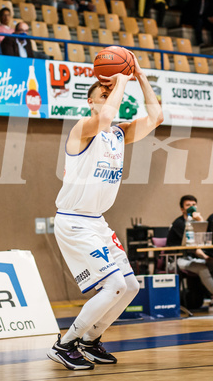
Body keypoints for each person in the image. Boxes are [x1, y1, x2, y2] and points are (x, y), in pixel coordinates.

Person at [48, 50, 163, 370]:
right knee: (113, 284)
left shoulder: (117, 133)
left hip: (96, 222)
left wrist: (139, 76)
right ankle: (65, 343)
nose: (110, 94)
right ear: (90, 101)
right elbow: (105, 117)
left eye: (110, 91)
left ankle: (90, 340)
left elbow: (157, 118)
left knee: (130, 286)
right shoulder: (83, 127)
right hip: (74, 222)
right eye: (104, 92)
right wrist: (121, 80)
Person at [166, 195, 213, 312]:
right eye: (188, 205)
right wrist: (203, 256)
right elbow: (189, 244)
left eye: (193, 205)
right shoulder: (179, 223)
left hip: (193, 258)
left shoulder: (196, 221)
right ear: (182, 209)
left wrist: (200, 220)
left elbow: (203, 240)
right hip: (177, 259)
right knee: (202, 268)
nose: (191, 208)